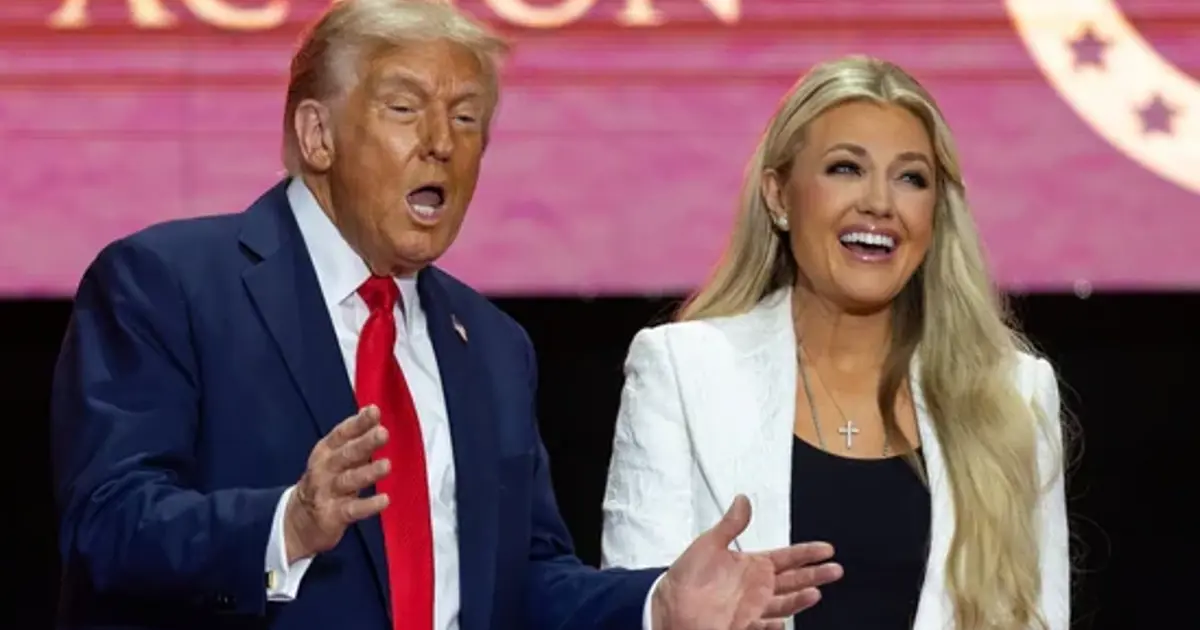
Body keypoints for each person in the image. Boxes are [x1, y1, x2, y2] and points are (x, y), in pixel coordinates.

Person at [48, 1, 845, 629]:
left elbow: (522, 583)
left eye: (467, 119)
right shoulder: (169, 283)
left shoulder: (492, 347)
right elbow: (107, 530)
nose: (442, 143)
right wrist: (288, 522)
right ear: (317, 134)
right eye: (405, 108)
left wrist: (655, 605)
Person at [599, 56, 1071, 630]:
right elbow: (638, 606)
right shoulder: (681, 372)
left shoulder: (1014, 393)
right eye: (846, 168)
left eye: (911, 178)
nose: (879, 202)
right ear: (779, 195)